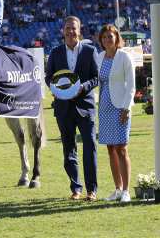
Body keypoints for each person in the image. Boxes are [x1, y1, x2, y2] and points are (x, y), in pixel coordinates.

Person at [45, 16, 99, 201]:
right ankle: (76, 188)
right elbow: (48, 76)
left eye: (74, 28)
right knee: (69, 150)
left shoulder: (90, 51)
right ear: (63, 31)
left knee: (90, 147)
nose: (70, 32)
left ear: (79, 30)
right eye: (67, 28)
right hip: (64, 109)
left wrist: (82, 87)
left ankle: (92, 190)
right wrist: (56, 89)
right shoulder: (55, 52)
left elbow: (96, 77)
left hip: (86, 107)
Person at [96, 24, 135, 203]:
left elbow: (131, 85)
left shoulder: (125, 57)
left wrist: (126, 108)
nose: (107, 40)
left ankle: (126, 190)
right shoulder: (99, 57)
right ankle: (118, 189)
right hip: (104, 108)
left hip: (120, 107)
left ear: (116, 38)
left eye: (110, 37)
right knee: (110, 148)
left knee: (122, 148)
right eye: (104, 38)